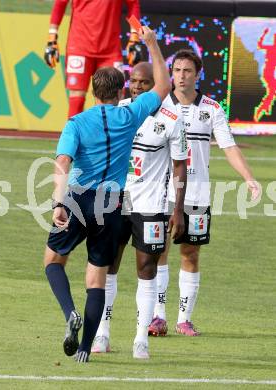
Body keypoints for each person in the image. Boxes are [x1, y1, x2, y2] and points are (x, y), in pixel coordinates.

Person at [43, 26, 171, 364]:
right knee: (96, 276)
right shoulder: (129, 116)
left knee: (53, 261)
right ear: (121, 91)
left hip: (78, 198)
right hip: (112, 203)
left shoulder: (76, 123)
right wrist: (153, 45)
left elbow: (62, 163)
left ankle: (70, 312)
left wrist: (59, 202)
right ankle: (85, 348)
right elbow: (163, 86)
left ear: (94, 92)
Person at [148, 49, 260, 337]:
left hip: (197, 194)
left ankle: (183, 319)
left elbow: (229, 147)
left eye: (187, 71)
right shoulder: (158, 105)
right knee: (158, 252)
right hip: (162, 192)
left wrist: (248, 178)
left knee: (191, 254)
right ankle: (158, 316)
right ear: (171, 74)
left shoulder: (211, 108)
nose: (181, 76)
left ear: (197, 75)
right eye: (177, 71)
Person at [91, 61, 188, 359]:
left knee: (146, 269)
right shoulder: (118, 109)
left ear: (155, 85)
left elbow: (179, 164)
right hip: (116, 200)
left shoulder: (172, 118)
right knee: (108, 265)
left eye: (144, 82)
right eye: (133, 81)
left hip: (151, 206)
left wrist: (179, 209)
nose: (136, 87)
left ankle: (139, 339)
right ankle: (102, 334)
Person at [44, 0, 142, 117]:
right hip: (79, 48)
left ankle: (111, 135)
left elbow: (133, 4)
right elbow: (60, 3)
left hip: (110, 50)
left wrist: (135, 35)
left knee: (116, 98)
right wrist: (52, 37)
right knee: (77, 98)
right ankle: (73, 135)